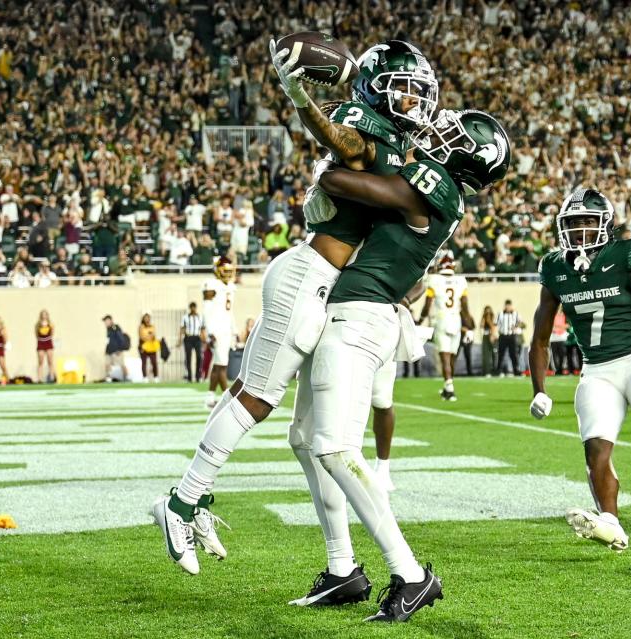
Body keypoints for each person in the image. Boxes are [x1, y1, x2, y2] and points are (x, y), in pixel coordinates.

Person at [153, 38, 440, 603]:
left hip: (331, 288)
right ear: (380, 89)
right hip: (307, 274)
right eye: (405, 89)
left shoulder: (398, 145)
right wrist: (299, 96)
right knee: (255, 396)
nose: (414, 101)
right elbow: (344, 140)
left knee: (311, 438)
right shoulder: (362, 120)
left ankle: (342, 570)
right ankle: (183, 500)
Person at [290, 108, 508, 620]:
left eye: (453, 135)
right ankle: (342, 570)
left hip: (361, 315)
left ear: (465, 156)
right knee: (304, 439)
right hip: (350, 309)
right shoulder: (439, 188)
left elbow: (344, 184)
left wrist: (337, 162)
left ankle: (411, 574)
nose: (439, 133)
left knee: (336, 447)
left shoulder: (437, 187)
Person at [528, 186, 631, 552]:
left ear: (605, 223)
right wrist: (539, 389)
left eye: (588, 221)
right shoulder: (555, 268)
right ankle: (611, 524)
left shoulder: (627, 255)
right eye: (574, 223)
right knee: (596, 449)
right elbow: (540, 338)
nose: (581, 230)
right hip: (596, 368)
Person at [419, 253, 472, 400]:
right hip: (456, 320)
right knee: (452, 356)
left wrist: (421, 319)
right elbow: (465, 307)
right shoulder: (461, 281)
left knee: (445, 357)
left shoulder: (434, 280)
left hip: (442, 319)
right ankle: (448, 387)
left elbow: (427, 304)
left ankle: (450, 388)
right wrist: (470, 326)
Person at [201, 256, 236, 407]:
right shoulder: (211, 284)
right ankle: (227, 398)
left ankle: (209, 397)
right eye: (225, 270)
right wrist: (210, 331)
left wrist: (233, 329)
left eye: (229, 271)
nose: (228, 274)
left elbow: (229, 311)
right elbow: (207, 310)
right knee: (222, 366)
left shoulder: (230, 286)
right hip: (217, 330)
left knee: (218, 365)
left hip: (226, 329)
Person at [494, 299, 525, 376]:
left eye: (509, 306)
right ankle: (499, 370)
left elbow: (522, 323)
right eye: (507, 306)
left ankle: (516, 370)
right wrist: (494, 335)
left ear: (511, 306)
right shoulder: (500, 314)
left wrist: (516, 326)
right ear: (505, 306)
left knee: (514, 354)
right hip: (503, 336)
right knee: (501, 354)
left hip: (512, 336)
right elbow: (495, 324)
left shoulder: (516, 313)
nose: (508, 307)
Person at [179, 302, 204, 383]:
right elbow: (182, 329)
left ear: (196, 308)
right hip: (188, 338)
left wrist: (204, 339)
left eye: (194, 307)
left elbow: (202, 329)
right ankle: (189, 376)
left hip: (197, 338)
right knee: (188, 357)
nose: (193, 309)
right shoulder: (185, 317)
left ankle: (198, 376)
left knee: (199, 357)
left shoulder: (200, 317)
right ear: (190, 308)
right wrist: (179, 340)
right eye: (192, 307)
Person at [103, 315, 129, 382]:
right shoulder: (108, 329)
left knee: (121, 365)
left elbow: (121, 338)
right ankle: (108, 377)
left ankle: (126, 377)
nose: (105, 322)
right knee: (107, 364)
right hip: (109, 350)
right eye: (105, 321)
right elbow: (108, 340)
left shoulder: (115, 327)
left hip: (116, 350)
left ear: (110, 320)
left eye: (106, 321)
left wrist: (120, 349)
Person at [35, 310, 56, 383]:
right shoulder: (38, 325)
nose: (44, 316)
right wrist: (41, 340)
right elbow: (36, 335)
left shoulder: (50, 324)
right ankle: (40, 378)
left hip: (48, 342)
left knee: (50, 361)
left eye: (45, 314)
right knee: (40, 361)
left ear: (47, 315)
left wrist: (48, 339)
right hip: (41, 342)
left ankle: (52, 377)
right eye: (42, 314)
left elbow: (52, 333)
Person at [139, 313, 160, 382]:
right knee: (144, 362)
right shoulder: (141, 326)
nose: (147, 319)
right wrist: (148, 337)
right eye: (145, 318)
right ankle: (144, 377)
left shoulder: (152, 326)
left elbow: (154, 335)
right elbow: (142, 336)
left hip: (151, 347)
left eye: (148, 318)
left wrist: (150, 337)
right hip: (144, 346)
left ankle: (156, 376)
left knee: (154, 362)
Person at [480, 306, 497, 376]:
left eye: (489, 311)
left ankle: (494, 371)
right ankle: (486, 371)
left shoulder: (493, 318)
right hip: (486, 336)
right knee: (486, 355)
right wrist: (485, 318)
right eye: (486, 311)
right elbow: (481, 326)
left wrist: (492, 335)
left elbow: (493, 327)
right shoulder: (484, 318)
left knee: (494, 355)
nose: (488, 313)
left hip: (492, 336)